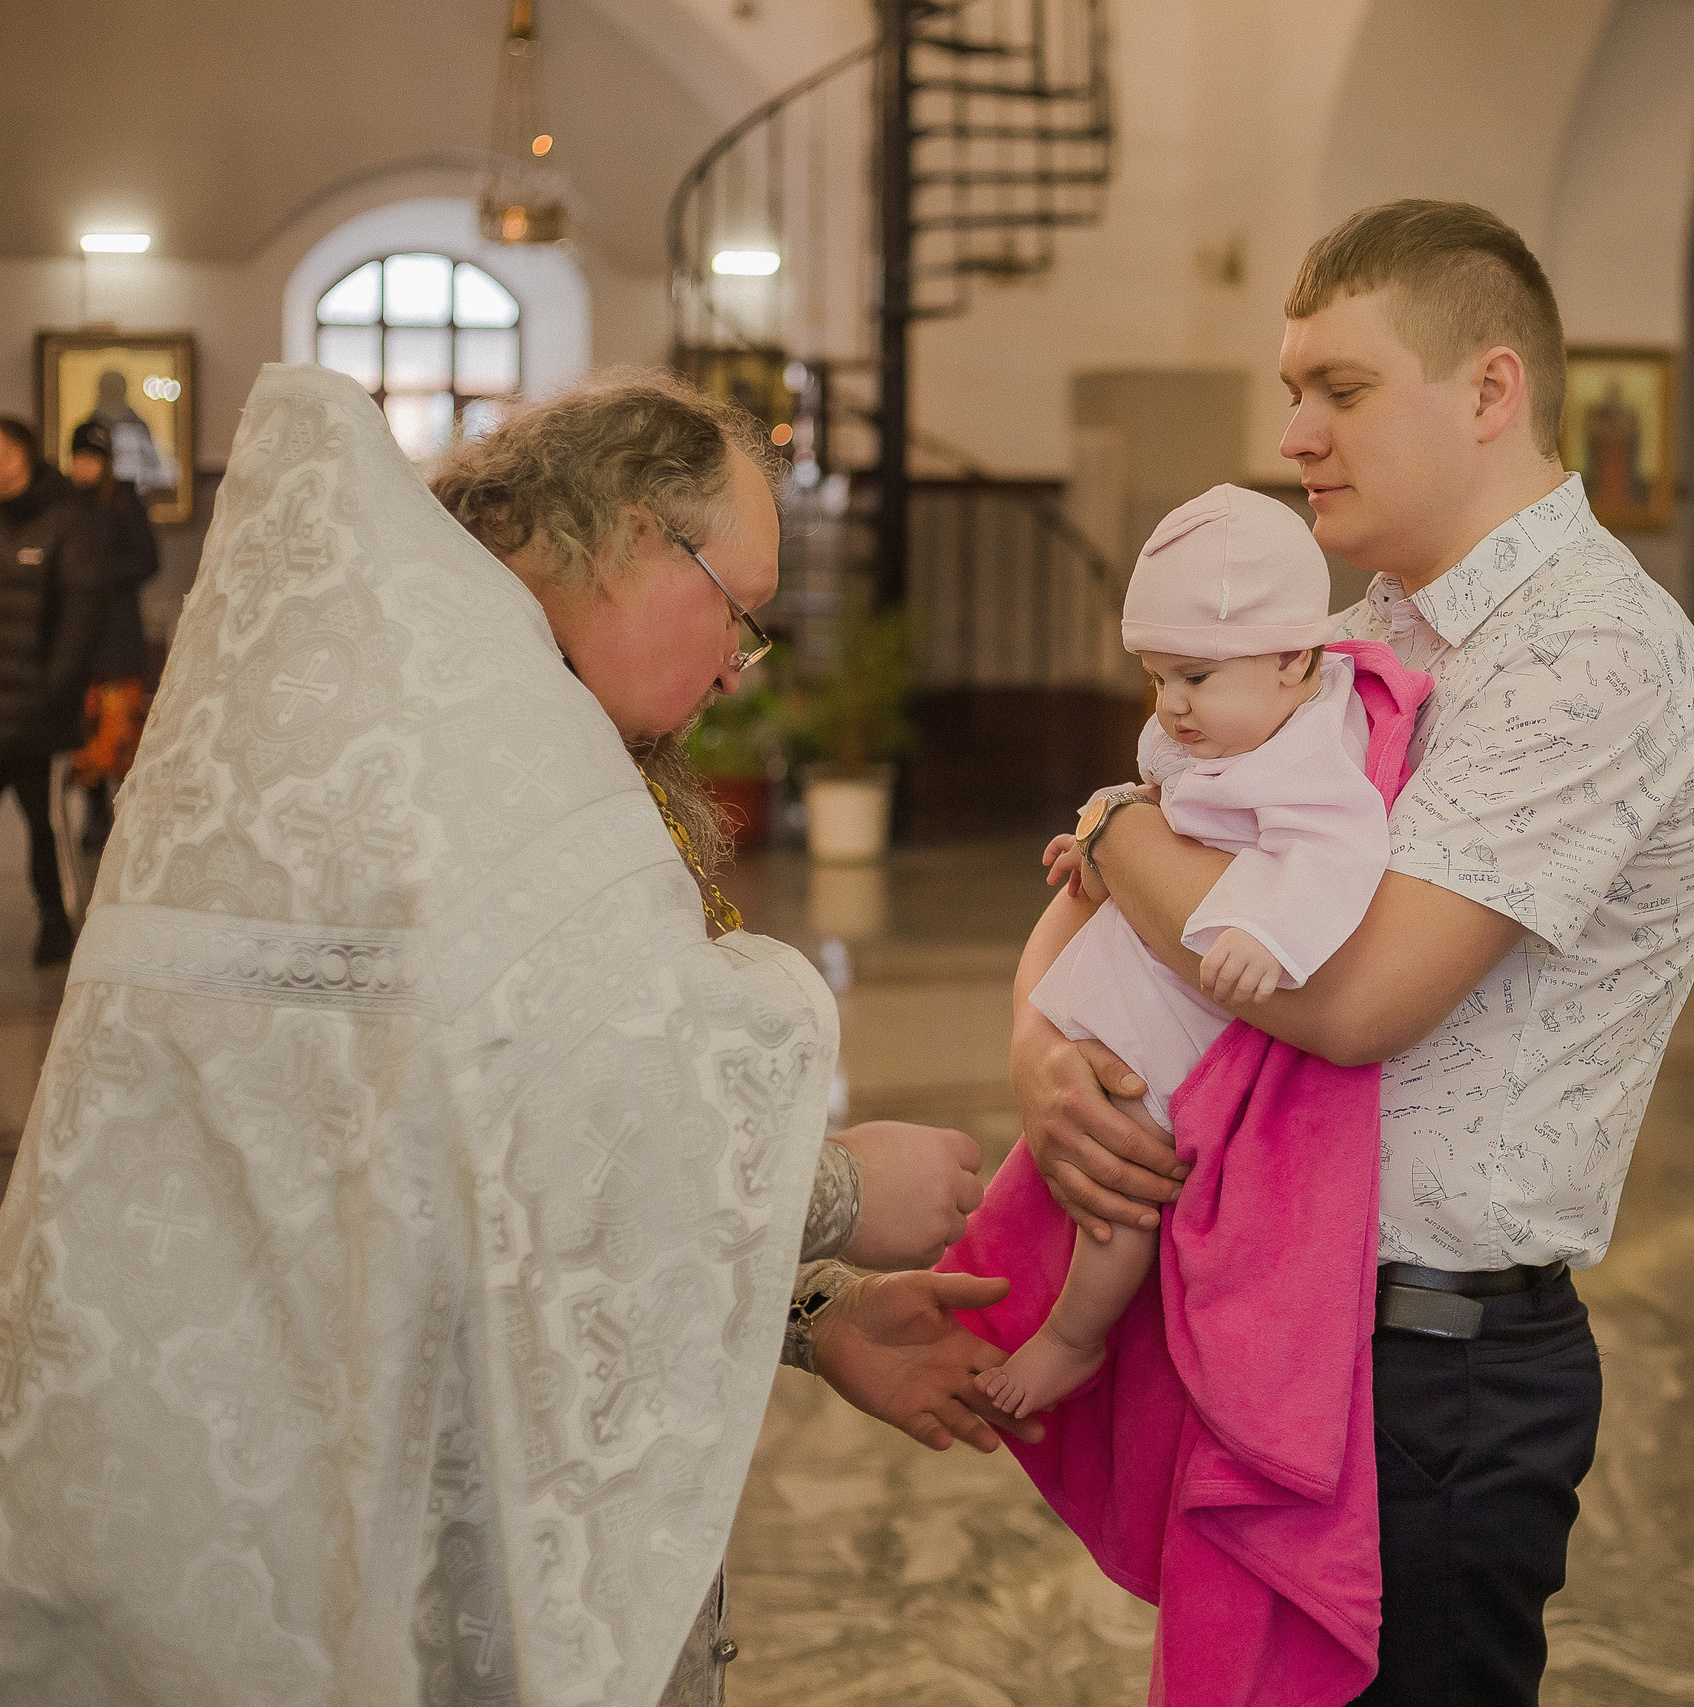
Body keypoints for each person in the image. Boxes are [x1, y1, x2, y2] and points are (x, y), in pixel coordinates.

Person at [0, 366, 1029, 1707]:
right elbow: (520, 1113)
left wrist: (798, 1306)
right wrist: (829, 1192)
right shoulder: (436, 744)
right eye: (742, 612)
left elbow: (492, 1167)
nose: (737, 664)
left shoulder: (494, 716)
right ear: (627, 530)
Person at [1012, 201, 1694, 1703]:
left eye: (1339, 388)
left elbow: (1350, 1000)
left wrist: (1112, 818)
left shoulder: (1584, 648)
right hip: (1288, 1302)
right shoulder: (1370, 629)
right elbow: (1180, 846)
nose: (1296, 435)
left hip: (1434, 1368)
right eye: (1291, 393)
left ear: (1488, 389)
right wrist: (1046, 1053)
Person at [977, 483, 1394, 1419]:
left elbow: (1341, 848)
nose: (1171, 707)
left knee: (1121, 1191)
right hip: (1139, 963)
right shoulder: (1229, 719)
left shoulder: (1310, 747)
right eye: (1158, 678)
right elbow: (1156, 799)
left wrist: (1266, 931)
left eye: (1195, 678)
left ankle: (1075, 1339)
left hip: (1187, 1010)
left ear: (1295, 657)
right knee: (1069, 1149)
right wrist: (1103, 840)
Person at [0, 416, 109, 965]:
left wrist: (54, 692)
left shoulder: (67, 519)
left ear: (22, 454)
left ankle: (58, 924)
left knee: (45, 825)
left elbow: (82, 613)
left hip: (40, 712)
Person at [65, 419, 160, 851]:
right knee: (84, 726)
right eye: (80, 457)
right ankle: (93, 807)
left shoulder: (123, 502)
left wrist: (99, 576)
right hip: (76, 635)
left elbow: (147, 560)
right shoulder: (62, 503)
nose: (85, 466)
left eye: (93, 458)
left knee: (119, 726)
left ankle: (123, 811)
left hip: (117, 632)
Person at [77, 369, 174, 503]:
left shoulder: (137, 426)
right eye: (108, 389)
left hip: (134, 497)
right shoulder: (91, 429)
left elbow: (153, 466)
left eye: (115, 389)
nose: (112, 394)